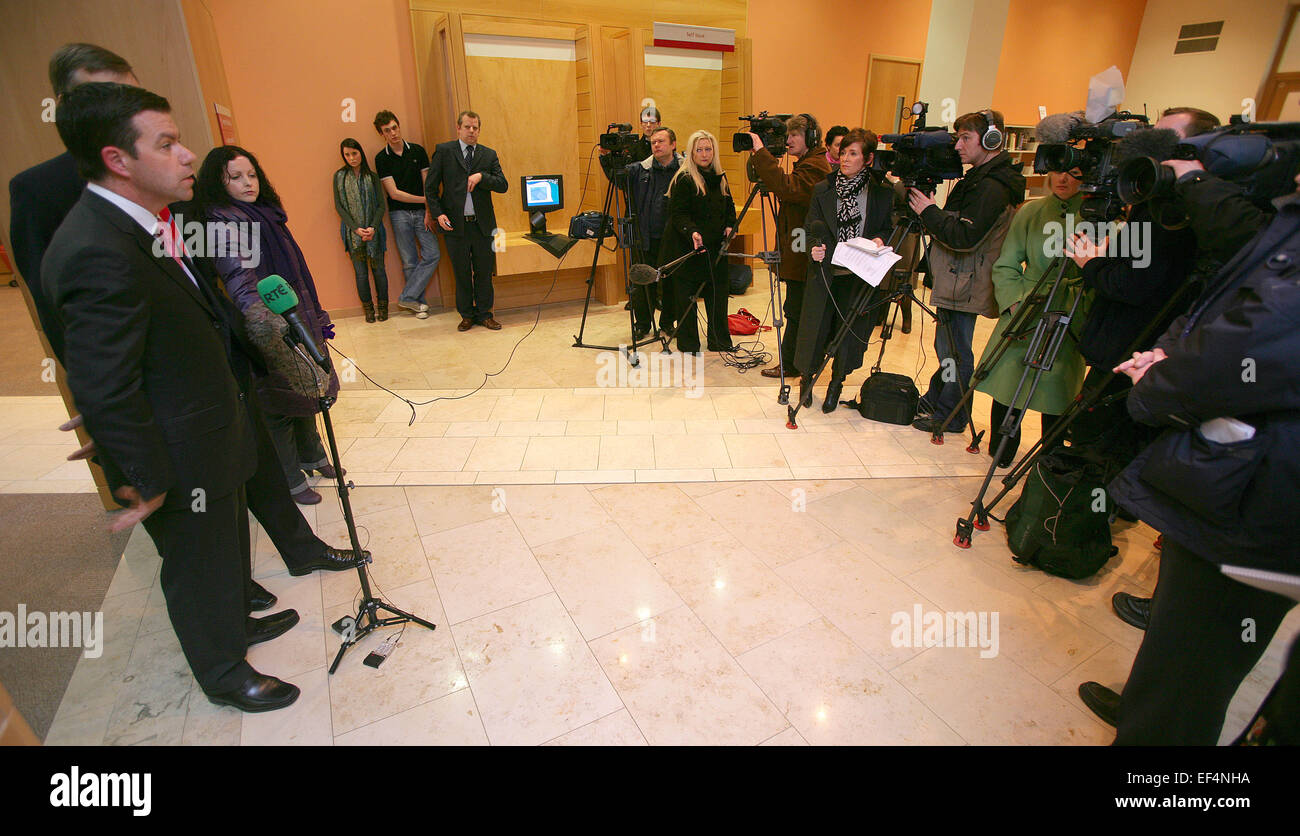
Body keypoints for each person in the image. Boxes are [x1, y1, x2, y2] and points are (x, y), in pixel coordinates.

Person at [10, 43, 358, 604]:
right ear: (67, 105)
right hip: (156, 371)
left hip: (217, 345)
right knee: (197, 502)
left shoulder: (168, 167)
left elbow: (197, 260)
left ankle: (301, 548)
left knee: (257, 459)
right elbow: (59, 301)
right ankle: (231, 596)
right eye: (101, 91)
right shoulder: (43, 189)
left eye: (126, 87)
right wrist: (97, 393)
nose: (119, 102)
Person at [43, 82, 300, 712]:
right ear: (118, 160)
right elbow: (105, 382)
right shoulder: (96, 247)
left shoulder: (146, 222)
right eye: (168, 143)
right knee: (196, 561)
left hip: (211, 423)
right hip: (177, 446)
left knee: (224, 546)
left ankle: (235, 623)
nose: (189, 156)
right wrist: (144, 478)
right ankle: (223, 671)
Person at [1079, 167, 1300, 745]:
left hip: (1262, 503)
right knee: (1179, 654)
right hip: (1240, 485)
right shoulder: (1287, 223)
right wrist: (1171, 353)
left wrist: (1158, 384)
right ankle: (1142, 712)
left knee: (1194, 670)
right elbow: (1227, 313)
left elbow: (1250, 347)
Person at [1066, 107, 1219, 631]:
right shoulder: (1153, 208)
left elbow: (1138, 287)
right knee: (1111, 435)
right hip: (1120, 347)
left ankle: (1084, 524)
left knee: (1100, 437)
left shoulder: (1181, 220)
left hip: (1133, 353)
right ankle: (1108, 507)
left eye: (1166, 142)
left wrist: (1092, 265)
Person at [193, 145, 341, 506]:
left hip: (295, 313)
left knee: (308, 388)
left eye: (252, 174)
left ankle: (313, 455)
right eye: (236, 177)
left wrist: (312, 319)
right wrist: (273, 331)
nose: (248, 183)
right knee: (277, 404)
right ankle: (289, 478)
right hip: (267, 327)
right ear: (218, 182)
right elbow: (241, 284)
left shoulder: (267, 215)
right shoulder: (222, 223)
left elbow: (298, 276)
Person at [908, 109, 1025, 434]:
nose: (957, 146)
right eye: (957, 137)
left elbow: (963, 236)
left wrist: (929, 211)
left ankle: (952, 415)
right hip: (959, 276)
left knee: (956, 351)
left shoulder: (992, 187)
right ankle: (937, 399)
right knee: (948, 346)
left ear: (991, 139)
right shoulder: (980, 179)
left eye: (966, 138)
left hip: (966, 279)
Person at [973, 168, 1087, 467]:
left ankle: (1051, 458)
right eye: (1057, 172)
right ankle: (1002, 448)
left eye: (1073, 173)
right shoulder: (1032, 211)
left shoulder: (1103, 218)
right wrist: (1015, 303)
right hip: (1028, 303)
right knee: (1009, 382)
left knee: (1059, 387)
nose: (1063, 179)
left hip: (1072, 310)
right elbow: (1006, 263)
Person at [795, 129, 895, 411]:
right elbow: (808, 228)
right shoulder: (822, 189)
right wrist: (812, 247)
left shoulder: (881, 193)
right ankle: (806, 378)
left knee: (849, 333)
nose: (845, 159)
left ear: (868, 159)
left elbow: (886, 227)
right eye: (843, 153)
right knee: (815, 329)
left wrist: (880, 239)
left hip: (859, 275)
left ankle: (837, 382)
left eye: (853, 154)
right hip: (825, 272)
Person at [745, 114, 833, 379]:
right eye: (788, 135)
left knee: (797, 310)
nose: (788, 140)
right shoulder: (806, 163)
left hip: (806, 254)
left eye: (795, 135)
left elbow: (786, 188)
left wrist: (761, 153)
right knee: (795, 308)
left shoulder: (815, 165)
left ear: (811, 138)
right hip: (799, 250)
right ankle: (795, 361)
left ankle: (794, 364)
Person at [426, 110, 508, 331]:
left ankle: (485, 314)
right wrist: (438, 214)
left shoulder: (488, 155)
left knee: (483, 272)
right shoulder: (444, 152)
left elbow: (503, 184)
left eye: (475, 128)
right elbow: (431, 189)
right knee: (461, 273)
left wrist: (482, 177)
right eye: (467, 127)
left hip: (482, 226)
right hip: (455, 226)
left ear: (479, 130)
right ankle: (467, 315)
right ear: (459, 128)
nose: (471, 131)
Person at [659, 130, 736, 353]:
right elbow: (678, 214)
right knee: (687, 299)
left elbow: (729, 210)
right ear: (692, 152)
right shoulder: (684, 179)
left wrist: (731, 225)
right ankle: (688, 343)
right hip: (688, 246)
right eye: (699, 150)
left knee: (718, 295)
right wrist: (692, 231)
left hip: (716, 247)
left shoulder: (720, 177)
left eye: (708, 149)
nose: (704, 154)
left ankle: (719, 341)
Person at [373, 110, 437, 320]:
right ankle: (419, 305)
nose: (392, 133)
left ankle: (407, 297)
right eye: (387, 131)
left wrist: (428, 209)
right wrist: (425, 201)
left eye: (394, 127)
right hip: (398, 214)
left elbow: (427, 184)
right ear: (382, 134)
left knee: (432, 254)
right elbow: (394, 193)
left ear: (399, 126)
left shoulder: (417, 151)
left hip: (422, 213)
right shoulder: (381, 158)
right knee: (409, 260)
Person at [624, 126, 682, 338]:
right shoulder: (641, 169)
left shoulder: (684, 169)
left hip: (674, 238)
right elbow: (618, 179)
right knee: (642, 283)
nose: (656, 145)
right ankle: (642, 325)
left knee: (670, 284)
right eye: (653, 143)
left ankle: (667, 323)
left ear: (673, 144)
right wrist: (607, 160)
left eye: (661, 141)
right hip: (646, 236)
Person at [333, 138, 388, 323]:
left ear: (361, 153)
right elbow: (339, 206)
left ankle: (383, 307)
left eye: (354, 153)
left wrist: (372, 227)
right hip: (353, 234)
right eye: (347, 155)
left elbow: (381, 205)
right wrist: (356, 229)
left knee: (379, 271)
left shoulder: (372, 177)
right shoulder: (339, 177)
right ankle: (369, 310)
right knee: (361, 274)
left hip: (375, 232)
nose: (351, 158)